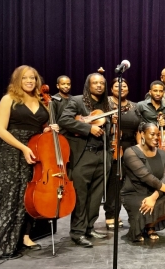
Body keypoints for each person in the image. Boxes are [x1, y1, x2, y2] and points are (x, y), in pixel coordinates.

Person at [0, 65, 58, 261]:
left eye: (33, 78)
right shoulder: (9, 99)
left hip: (35, 150)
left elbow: (40, 126)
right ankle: (3, 238)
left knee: (28, 194)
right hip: (11, 151)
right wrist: (23, 148)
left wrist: (48, 129)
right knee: (10, 194)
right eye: (25, 78)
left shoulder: (42, 100)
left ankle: (24, 237)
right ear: (17, 80)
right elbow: (0, 130)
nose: (29, 81)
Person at [59, 72, 112, 248]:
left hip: (101, 154)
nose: (98, 86)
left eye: (101, 83)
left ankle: (89, 227)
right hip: (83, 155)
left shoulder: (107, 104)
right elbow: (64, 120)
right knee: (81, 195)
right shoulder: (76, 101)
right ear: (88, 85)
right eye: (95, 83)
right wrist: (87, 128)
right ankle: (77, 232)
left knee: (96, 196)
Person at [121, 122, 165, 242]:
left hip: (155, 192)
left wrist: (154, 197)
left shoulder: (163, 154)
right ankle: (139, 227)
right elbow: (146, 176)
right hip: (135, 192)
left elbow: (164, 177)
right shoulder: (131, 152)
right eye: (152, 134)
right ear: (142, 134)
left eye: (158, 135)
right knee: (144, 208)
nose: (156, 138)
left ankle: (150, 226)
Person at [104, 78, 141, 230]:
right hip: (112, 146)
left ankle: (134, 215)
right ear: (111, 88)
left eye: (124, 85)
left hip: (131, 147)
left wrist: (139, 148)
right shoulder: (106, 103)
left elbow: (139, 127)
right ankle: (112, 214)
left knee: (130, 183)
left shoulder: (135, 106)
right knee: (114, 183)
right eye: (117, 86)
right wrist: (111, 123)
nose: (121, 88)